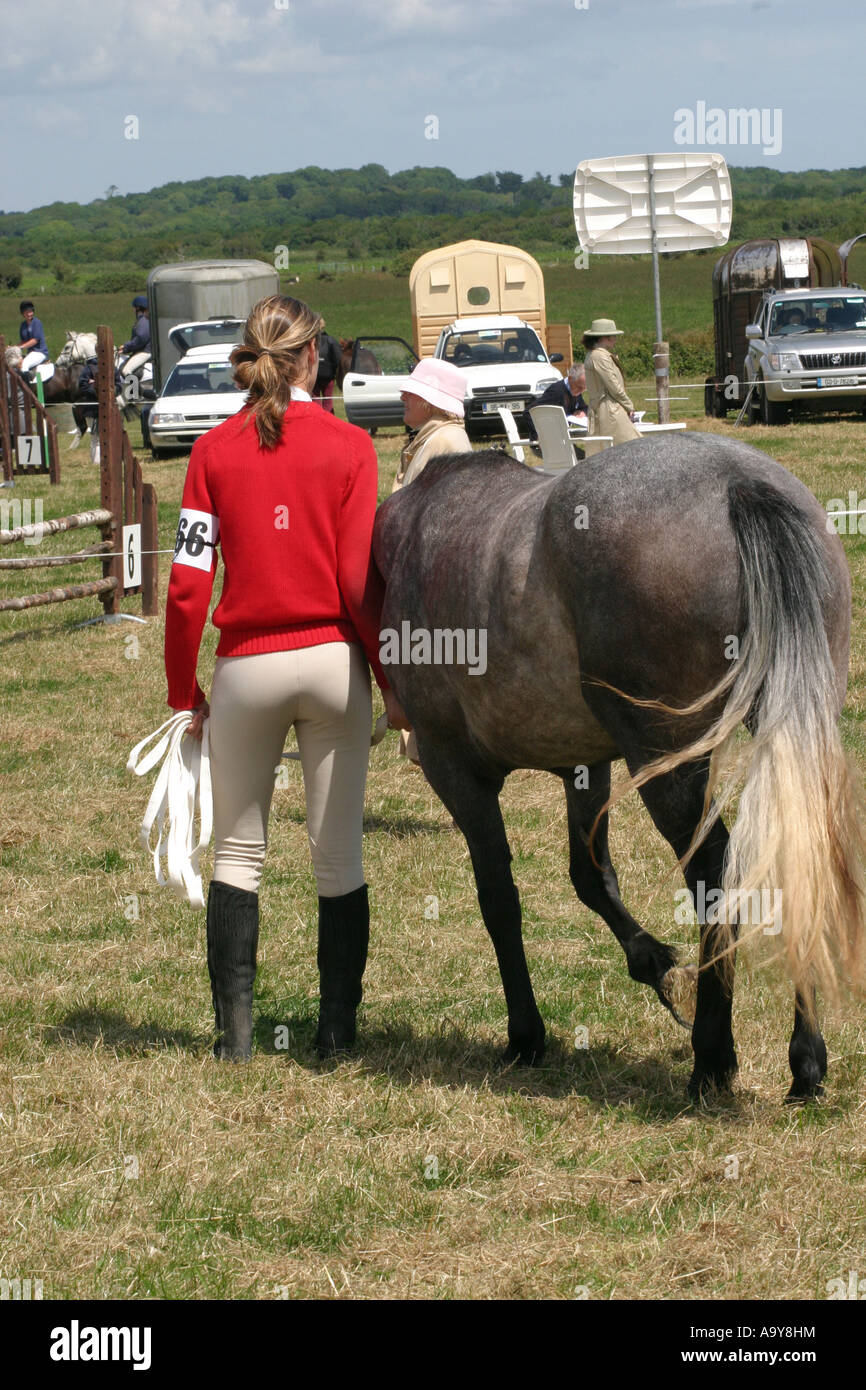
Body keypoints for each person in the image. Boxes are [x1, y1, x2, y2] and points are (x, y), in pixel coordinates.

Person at [163, 294, 409, 1063]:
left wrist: (182, 688)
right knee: (337, 856)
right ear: (313, 357)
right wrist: (391, 678)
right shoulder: (349, 448)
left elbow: (185, 583)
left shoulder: (210, 453)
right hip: (333, 662)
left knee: (238, 855)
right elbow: (353, 580)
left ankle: (236, 1040)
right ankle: (335, 1033)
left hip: (245, 668)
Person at [391, 358, 470, 762]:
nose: (403, 395)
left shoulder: (447, 442)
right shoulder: (430, 438)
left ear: (433, 401)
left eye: (413, 391)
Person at [582, 317, 640, 454]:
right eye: (613, 336)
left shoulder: (597, 355)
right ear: (603, 338)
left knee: (607, 451)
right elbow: (613, 385)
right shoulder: (599, 356)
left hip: (606, 407)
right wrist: (629, 405)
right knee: (634, 447)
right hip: (609, 409)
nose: (615, 339)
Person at [527, 363, 587, 440]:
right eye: (580, 387)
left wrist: (582, 412)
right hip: (546, 442)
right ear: (570, 379)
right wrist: (538, 435)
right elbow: (528, 412)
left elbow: (584, 407)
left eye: (585, 388)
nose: (581, 391)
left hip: (561, 438)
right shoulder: (556, 392)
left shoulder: (575, 390)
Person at [119, 295, 151, 379]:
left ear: (137, 308)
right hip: (143, 351)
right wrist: (126, 348)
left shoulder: (143, 321)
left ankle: (134, 392)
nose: (133, 310)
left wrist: (126, 346)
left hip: (145, 352)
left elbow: (141, 338)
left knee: (126, 371)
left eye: (134, 308)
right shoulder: (144, 320)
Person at [313, 331, 343, 413]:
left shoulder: (311, 340)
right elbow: (338, 358)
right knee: (328, 399)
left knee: (315, 398)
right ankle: (328, 419)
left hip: (314, 376)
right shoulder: (331, 340)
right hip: (328, 376)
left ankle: (317, 418)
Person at [17, 301, 49, 376]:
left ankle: (25, 387)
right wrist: (14, 347)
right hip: (30, 353)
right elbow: (23, 341)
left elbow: (35, 340)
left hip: (40, 352)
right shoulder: (23, 325)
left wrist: (21, 347)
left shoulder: (37, 323)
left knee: (24, 365)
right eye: (26, 312)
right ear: (23, 314)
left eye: (30, 312)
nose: (29, 314)